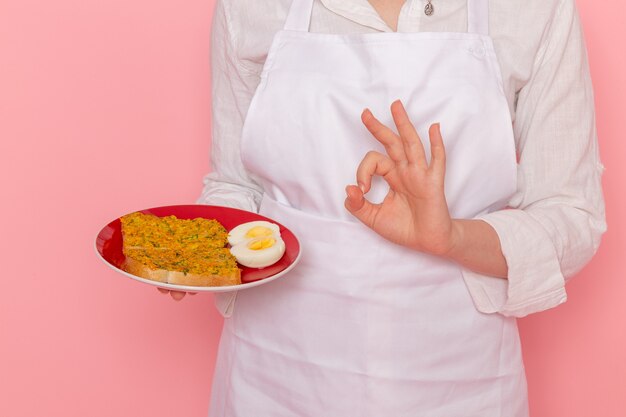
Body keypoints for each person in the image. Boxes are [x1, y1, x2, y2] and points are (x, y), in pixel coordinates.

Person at [163, 0, 607, 415]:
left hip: (461, 384)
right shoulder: (249, 7)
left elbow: (570, 213)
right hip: (273, 378)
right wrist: (195, 251)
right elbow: (234, 185)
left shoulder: (536, 10)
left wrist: (452, 237)